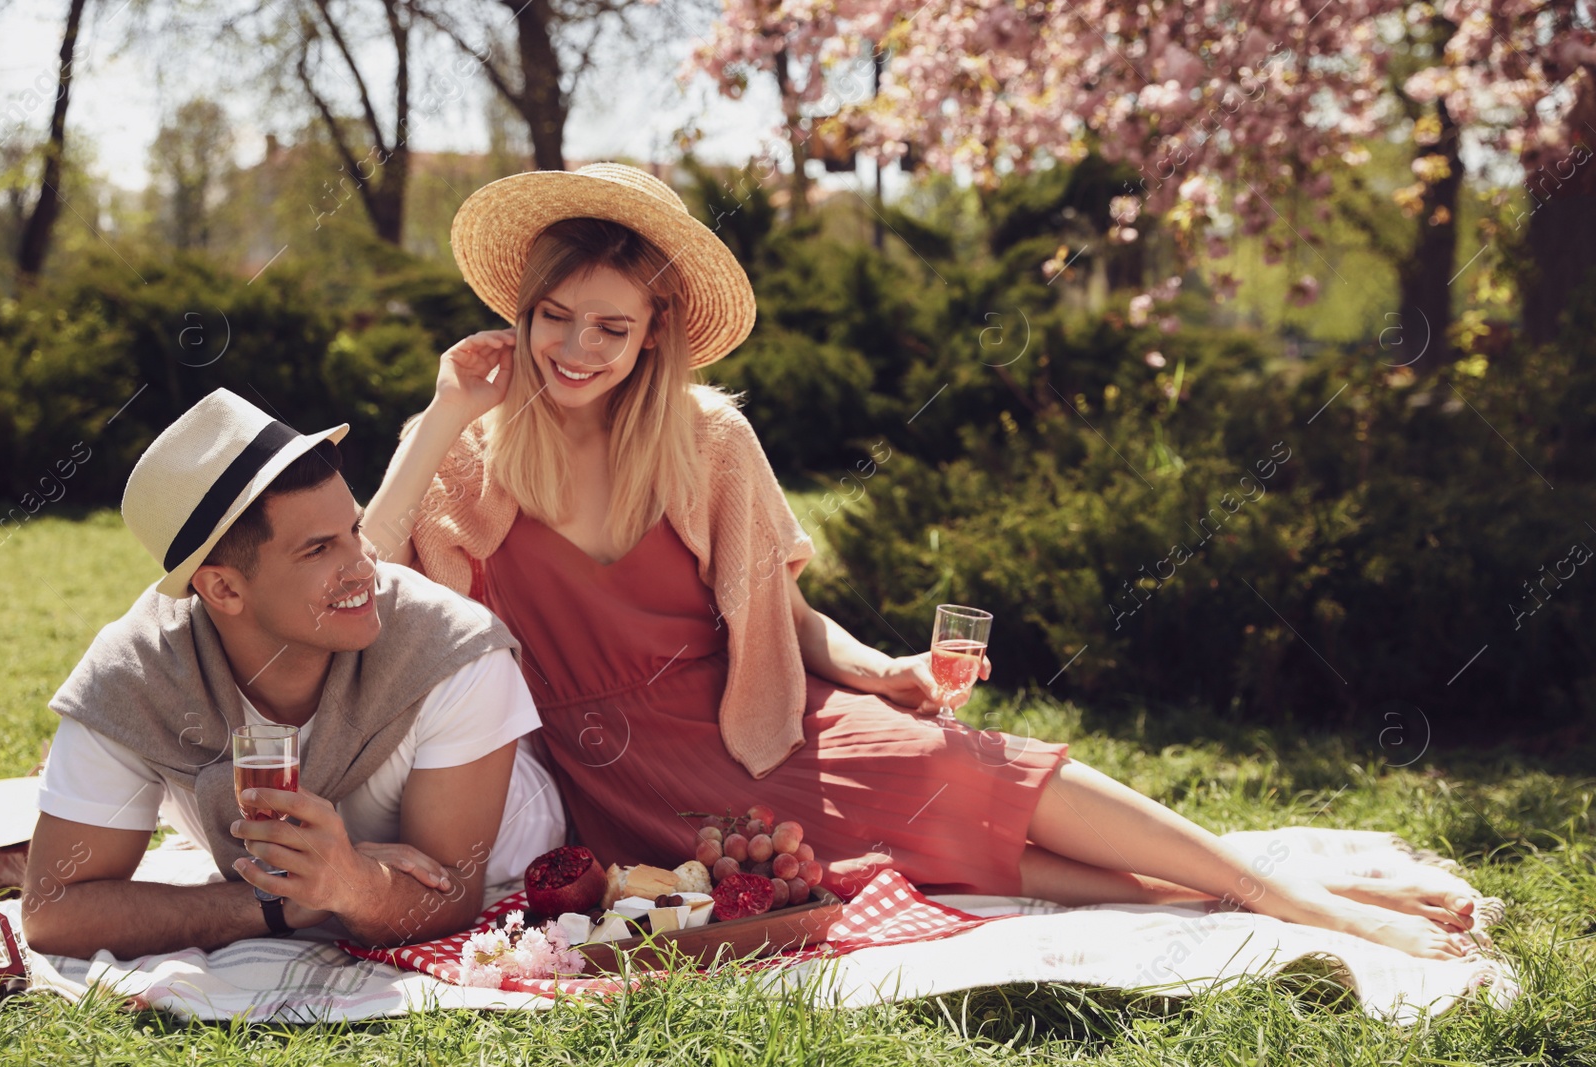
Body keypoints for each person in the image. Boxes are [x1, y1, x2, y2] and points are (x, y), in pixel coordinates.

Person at [365, 163, 1479, 960]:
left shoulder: (707, 438)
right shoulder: (471, 453)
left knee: (970, 777)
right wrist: (438, 412)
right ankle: (1277, 890)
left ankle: (1300, 899)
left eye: (608, 327)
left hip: (754, 722)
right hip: (619, 778)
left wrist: (878, 666)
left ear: (654, 329)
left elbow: (779, 615)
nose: (574, 349)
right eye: (553, 318)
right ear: (521, 313)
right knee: (948, 856)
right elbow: (364, 584)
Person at [22, 390, 564, 959]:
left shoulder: (453, 647)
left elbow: (450, 895)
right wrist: (279, 903)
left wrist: (351, 885)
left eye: (354, 530)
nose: (364, 567)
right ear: (223, 588)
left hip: (508, 839)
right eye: (319, 550)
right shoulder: (135, 675)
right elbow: (54, 914)